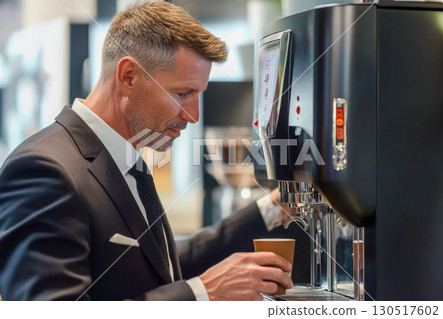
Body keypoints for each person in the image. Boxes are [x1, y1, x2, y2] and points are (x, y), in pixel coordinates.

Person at [0, 1, 293, 301]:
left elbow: (157, 264)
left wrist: (271, 209)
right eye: (182, 93)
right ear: (128, 76)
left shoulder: (126, 160)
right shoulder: (44, 171)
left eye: (198, 95)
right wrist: (203, 293)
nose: (193, 115)